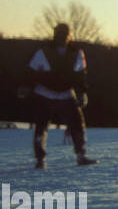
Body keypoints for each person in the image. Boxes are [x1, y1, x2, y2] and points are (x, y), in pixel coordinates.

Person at [28, 23, 97, 170]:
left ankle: (81, 155)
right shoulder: (43, 51)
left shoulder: (77, 52)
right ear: (54, 34)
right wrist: (27, 87)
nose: (61, 37)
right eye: (59, 33)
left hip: (66, 94)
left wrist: (82, 92)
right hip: (45, 94)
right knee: (41, 127)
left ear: (68, 35)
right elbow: (31, 72)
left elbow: (81, 75)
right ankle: (40, 159)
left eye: (64, 34)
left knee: (77, 124)